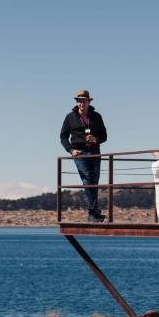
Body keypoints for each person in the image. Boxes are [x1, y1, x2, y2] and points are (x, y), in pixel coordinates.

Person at [60, 90, 108, 222]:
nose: (81, 103)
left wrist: (96, 139)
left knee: (94, 182)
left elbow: (104, 136)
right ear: (77, 102)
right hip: (79, 153)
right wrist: (71, 150)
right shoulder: (70, 117)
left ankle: (93, 212)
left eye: (84, 101)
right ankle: (93, 213)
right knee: (87, 181)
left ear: (89, 102)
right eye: (79, 101)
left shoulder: (97, 116)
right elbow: (63, 137)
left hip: (94, 152)